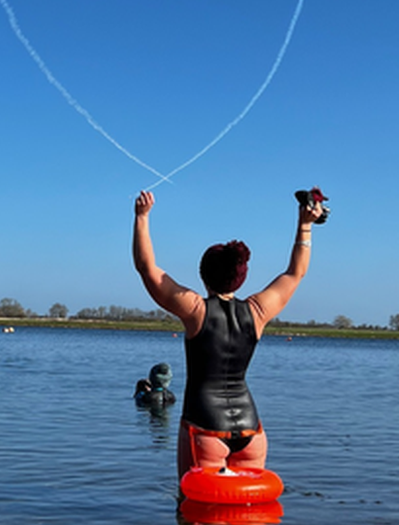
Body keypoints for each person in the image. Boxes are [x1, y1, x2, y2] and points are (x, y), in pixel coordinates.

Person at [133, 188, 326, 479]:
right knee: (246, 519)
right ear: (242, 276)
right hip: (251, 429)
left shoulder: (196, 310)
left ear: (203, 275)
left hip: (205, 427)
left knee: (196, 515)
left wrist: (142, 217)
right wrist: (305, 225)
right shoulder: (257, 311)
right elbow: (294, 274)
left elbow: (148, 269)